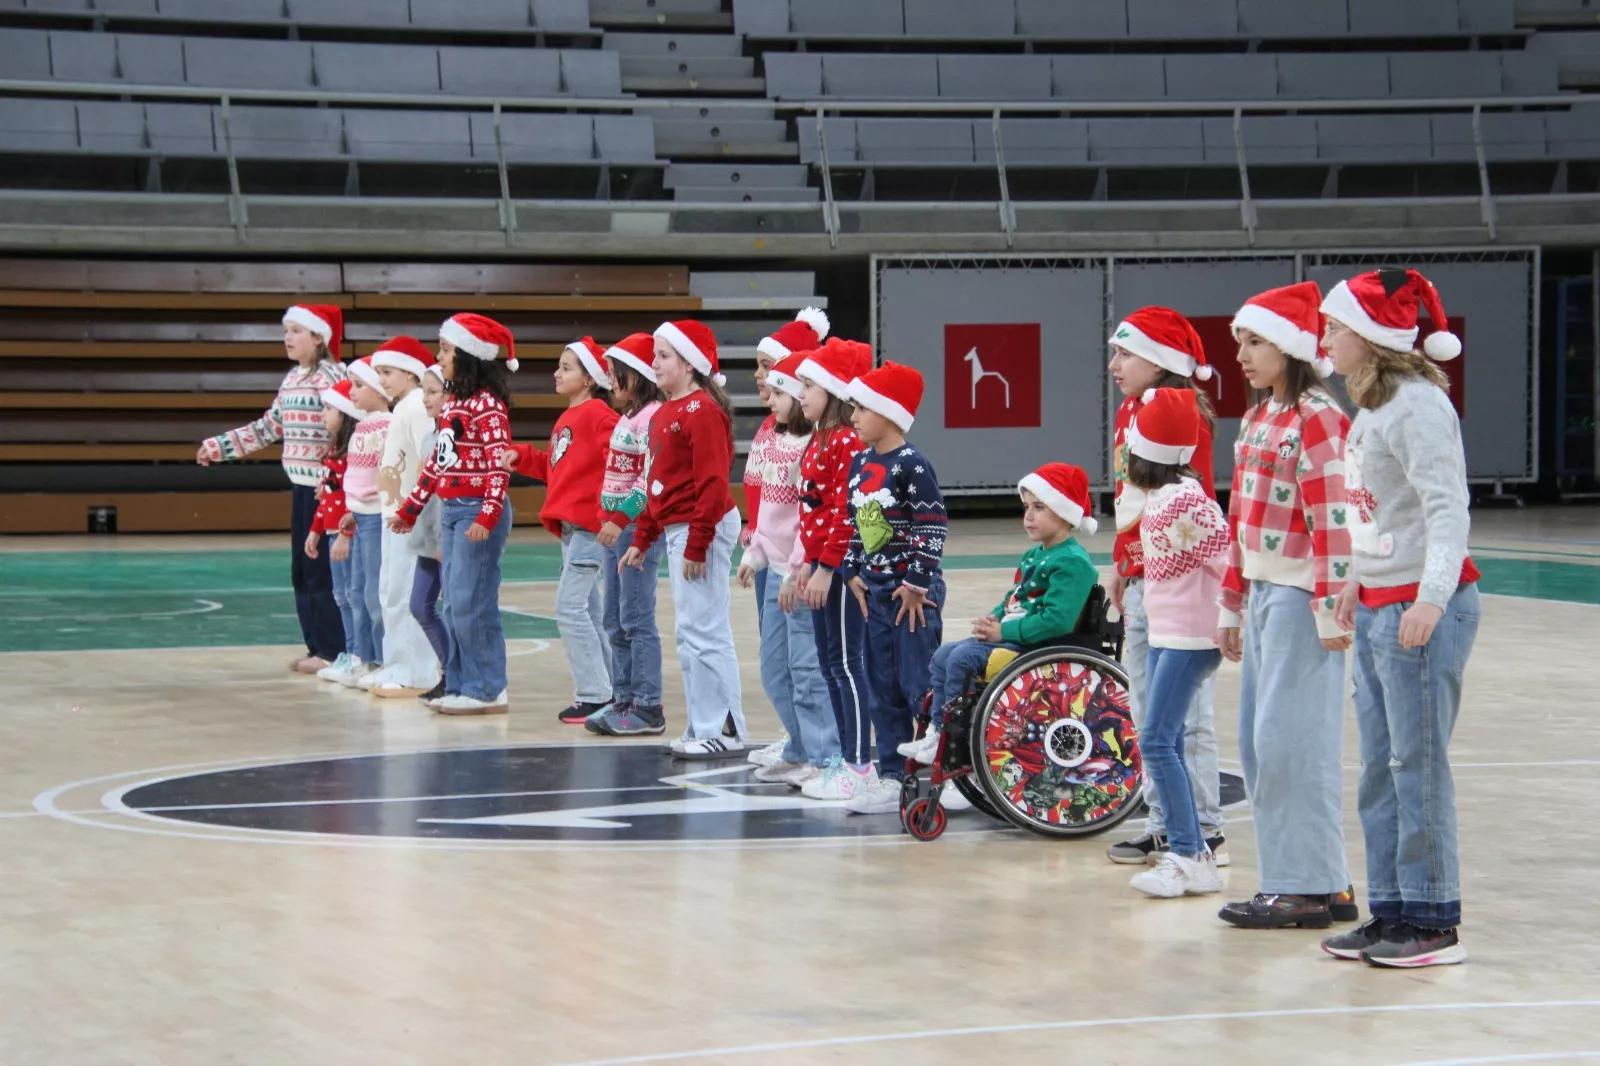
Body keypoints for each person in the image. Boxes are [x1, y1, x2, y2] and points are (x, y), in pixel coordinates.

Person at [1317, 269, 1480, 968]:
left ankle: (1433, 917)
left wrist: (1431, 597)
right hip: (1382, 603)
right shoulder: (1374, 409)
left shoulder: (1418, 407)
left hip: (1422, 611)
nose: (1325, 338)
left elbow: (1448, 508)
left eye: (1334, 326)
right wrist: (1359, 576)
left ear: (1372, 337)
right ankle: (1391, 912)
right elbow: (1377, 509)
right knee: (1380, 771)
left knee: (1417, 765)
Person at [1215, 282, 1358, 930]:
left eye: (1255, 341)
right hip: (1268, 596)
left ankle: (1301, 886)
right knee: (1259, 744)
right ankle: (1322, 882)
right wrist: (1231, 603)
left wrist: (1331, 606)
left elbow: (1334, 517)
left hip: (1303, 599)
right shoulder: (1257, 419)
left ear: (1292, 348)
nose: (1241, 354)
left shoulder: (1319, 416)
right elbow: (1239, 517)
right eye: (1240, 341)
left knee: (1291, 744)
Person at [1104, 307, 1227, 867]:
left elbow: (1182, 502)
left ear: (1159, 360)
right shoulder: (1131, 409)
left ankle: (1203, 829)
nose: (1114, 364)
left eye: (1125, 353)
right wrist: (1121, 560)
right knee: (1149, 708)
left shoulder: (1180, 414)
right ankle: (1165, 823)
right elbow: (1132, 500)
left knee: (1187, 717)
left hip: (1175, 588)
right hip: (1141, 576)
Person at [902, 463, 1099, 766]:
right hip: (1015, 638)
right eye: (1026, 507)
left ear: (1064, 513)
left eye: (1039, 507)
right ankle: (938, 731)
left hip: (1036, 647)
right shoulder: (1035, 555)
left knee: (961, 660)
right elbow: (1014, 599)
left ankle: (958, 743)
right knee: (942, 656)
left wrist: (1002, 633)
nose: (1028, 516)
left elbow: (1056, 621)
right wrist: (993, 619)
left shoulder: (1073, 562)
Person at [1120, 389, 1230, 899]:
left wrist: (1231, 620)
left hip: (1189, 637)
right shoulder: (1166, 498)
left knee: (1159, 740)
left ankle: (1190, 852)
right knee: (1162, 738)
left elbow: (1226, 562)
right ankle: (1188, 849)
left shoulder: (1186, 501)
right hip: (1170, 634)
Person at [619, 320, 746, 756]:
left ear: (691, 364)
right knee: (691, 632)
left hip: (700, 525)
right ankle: (707, 725)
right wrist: (643, 534)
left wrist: (697, 540)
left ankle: (720, 729)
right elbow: (659, 481)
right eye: (655, 354)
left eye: (664, 356)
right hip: (680, 526)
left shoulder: (702, 411)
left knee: (703, 630)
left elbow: (711, 482)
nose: (653, 363)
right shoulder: (668, 411)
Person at [197, 303, 346, 674]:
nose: (287, 338)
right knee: (302, 570)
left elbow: (345, 432)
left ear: (318, 337)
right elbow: (268, 427)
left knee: (322, 572)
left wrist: (334, 481)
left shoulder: (332, 378)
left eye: (296, 331)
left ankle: (334, 649)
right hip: (300, 489)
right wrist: (219, 447)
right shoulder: (293, 379)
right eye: (286, 331)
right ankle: (316, 646)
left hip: (325, 492)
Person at [835, 361, 948, 815]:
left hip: (911, 599)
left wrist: (917, 583)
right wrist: (851, 571)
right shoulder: (861, 463)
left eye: (862, 408)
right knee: (881, 686)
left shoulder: (912, 464)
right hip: (875, 595)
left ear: (890, 413)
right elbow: (854, 523)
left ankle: (939, 774)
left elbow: (932, 524)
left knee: (917, 683)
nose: (854, 416)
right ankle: (890, 775)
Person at [391, 314, 517, 716]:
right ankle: (462, 682)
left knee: (471, 601)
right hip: (452, 510)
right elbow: (437, 465)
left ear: (468, 355)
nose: (439, 355)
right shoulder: (456, 405)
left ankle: (488, 688)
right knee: (453, 604)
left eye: (445, 349)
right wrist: (411, 509)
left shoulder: (488, 407)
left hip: (478, 512)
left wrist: (488, 513)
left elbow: (499, 465)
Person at [501, 337, 621, 725]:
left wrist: (610, 514)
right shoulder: (569, 416)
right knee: (587, 610)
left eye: (567, 367)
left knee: (569, 608)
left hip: (589, 530)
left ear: (589, 379)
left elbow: (622, 464)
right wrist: (523, 457)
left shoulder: (601, 415)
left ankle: (595, 694)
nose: (557, 372)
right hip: (573, 531)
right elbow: (559, 472)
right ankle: (614, 689)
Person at [735, 350, 840, 786]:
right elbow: (768, 515)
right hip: (775, 570)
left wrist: (797, 568)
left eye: (780, 391)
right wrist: (753, 555)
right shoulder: (774, 441)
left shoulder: (813, 448)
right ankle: (799, 747)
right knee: (774, 669)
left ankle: (825, 755)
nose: (771, 398)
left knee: (806, 671)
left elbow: (809, 518)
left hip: (797, 576)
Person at [786, 337, 873, 801]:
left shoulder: (845, 440)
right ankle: (844, 758)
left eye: (809, 384)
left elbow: (846, 510)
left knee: (846, 664)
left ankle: (859, 765)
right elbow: (812, 510)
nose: (801, 393)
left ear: (835, 390)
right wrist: (807, 562)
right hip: (822, 566)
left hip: (841, 572)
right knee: (830, 664)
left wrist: (826, 567)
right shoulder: (821, 437)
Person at [587, 335, 669, 738]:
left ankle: (648, 705)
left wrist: (620, 519)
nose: (609, 380)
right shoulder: (628, 416)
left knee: (636, 617)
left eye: (615, 373)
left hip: (637, 527)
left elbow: (649, 479)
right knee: (613, 617)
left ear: (636, 375)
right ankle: (624, 696)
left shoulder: (652, 415)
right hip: (618, 526)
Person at [368, 337, 442, 699]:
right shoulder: (404, 407)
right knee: (390, 592)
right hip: (394, 515)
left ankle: (415, 671)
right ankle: (397, 665)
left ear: (412, 373)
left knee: (402, 593)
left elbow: (430, 461)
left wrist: (416, 513)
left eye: (388, 371)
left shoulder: (415, 407)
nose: (380, 379)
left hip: (409, 518)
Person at [330, 356, 392, 689]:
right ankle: (364, 659)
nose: (352, 392)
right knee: (357, 590)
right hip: (361, 518)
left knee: (373, 592)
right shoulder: (362, 427)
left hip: (378, 517)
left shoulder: (386, 426)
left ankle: (381, 659)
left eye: (359, 385)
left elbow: (386, 477)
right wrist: (352, 511)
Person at [306, 379, 358, 683]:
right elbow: (328, 498)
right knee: (341, 595)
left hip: (346, 534)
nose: (323, 414)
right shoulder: (333, 452)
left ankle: (357, 654)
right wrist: (315, 529)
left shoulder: (352, 453)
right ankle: (349, 653)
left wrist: (345, 535)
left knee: (352, 595)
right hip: (330, 533)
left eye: (329, 408)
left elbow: (354, 499)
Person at [407, 365, 449, 702]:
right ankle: (450, 670)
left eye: (433, 392)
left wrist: (441, 541)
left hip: (445, 540)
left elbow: (447, 495)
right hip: (427, 539)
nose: (426, 399)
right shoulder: (427, 438)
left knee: (452, 608)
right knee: (419, 605)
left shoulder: (456, 437)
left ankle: (458, 675)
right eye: (425, 391)